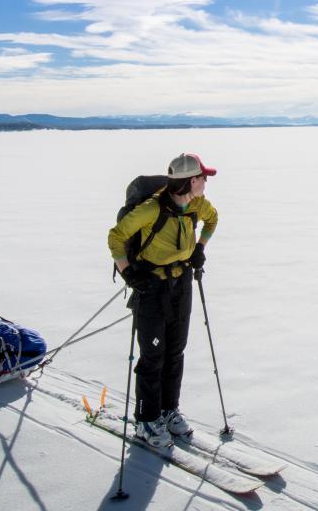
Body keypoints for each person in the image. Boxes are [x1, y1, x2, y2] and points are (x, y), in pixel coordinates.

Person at [108, 152, 218, 448]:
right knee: (153, 356)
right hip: (152, 288)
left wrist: (200, 249)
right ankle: (146, 420)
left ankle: (168, 411)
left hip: (181, 284)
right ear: (192, 181)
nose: (206, 181)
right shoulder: (150, 210)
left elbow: (213, 219)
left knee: (175, 351)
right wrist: (128, 273)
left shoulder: (197, 205)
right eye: (203, 177)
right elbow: (116, 238)